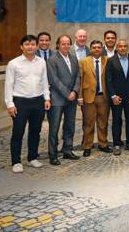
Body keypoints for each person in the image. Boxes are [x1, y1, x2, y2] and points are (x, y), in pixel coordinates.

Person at [5, 35, 50, 173]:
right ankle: (16, 161)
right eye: (27, 44)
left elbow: (44, 81)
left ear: (36, 47)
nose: (30, 47)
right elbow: (8, 85)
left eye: (32, 44)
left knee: (35, 131)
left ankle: (32, 157)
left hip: (38, 101)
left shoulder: (41, 62)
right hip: (20, 102)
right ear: (21, 46)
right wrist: (10, 104)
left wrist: (47, 98)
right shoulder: (13, 63)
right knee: (18, 132)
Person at [46, 35, 81, 165]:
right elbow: (54, 80)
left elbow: (78, 76)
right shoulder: (52, 60)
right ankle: (52, 154)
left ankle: (67, 150)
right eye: (63, 44)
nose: (66, 46)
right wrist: (67, 93)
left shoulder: (73, 58)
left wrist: (75, 91)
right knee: (54, 127)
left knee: (70, 125)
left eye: (68, 44)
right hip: (57, 99)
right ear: (58, 45)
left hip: (72, 98)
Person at [104, 39, 129, 155]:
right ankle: (117, 144)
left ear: (127, 47)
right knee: (117, 121)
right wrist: (113, 96)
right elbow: (108, 80)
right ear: (117, 48)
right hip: (117, 97)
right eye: (120, 46)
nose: (123, 48)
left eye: (125, 46)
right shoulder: (111, 61)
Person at [79, 40, 112, 156]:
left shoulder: (107, 60)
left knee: (103, 122)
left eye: (99, 47)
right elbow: (80, 80)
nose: (97, 49)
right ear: (91, 49)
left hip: (103, 97)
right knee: (88, 123)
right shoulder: (83, 62)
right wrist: (79, 97)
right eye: (94, 47)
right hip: (88, 97)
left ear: (102, 48)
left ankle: (103, 144)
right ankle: (87, 146)